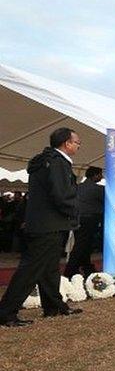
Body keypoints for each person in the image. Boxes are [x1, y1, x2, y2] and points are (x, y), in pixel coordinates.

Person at [0, 127, 83, 327]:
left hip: (44, 223)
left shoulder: (45, 161)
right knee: (30, 270)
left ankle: (53, 306)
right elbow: (61, 194)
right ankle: (6, 312)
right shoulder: (57, 163)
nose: (79, 146)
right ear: (66, 143)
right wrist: (74, 210)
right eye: (77, 142)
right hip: (49, 224)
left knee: (49, 269)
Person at [63, 166, 104, 277]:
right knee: (81, 246)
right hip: (89, 220)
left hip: (77, 220)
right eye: (100, 174)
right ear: (95, 175)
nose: (102, 176)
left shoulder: (78, 187)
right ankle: (69, 272)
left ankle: (87, 268)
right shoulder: (98, 189)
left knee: (84, 245)